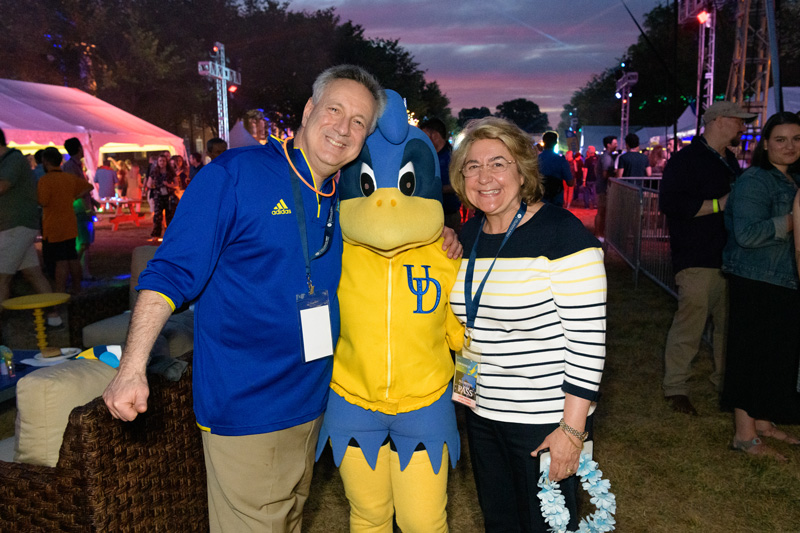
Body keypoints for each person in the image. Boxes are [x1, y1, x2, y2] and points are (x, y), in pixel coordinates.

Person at [101, 65, 387, 533]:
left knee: (290, 518)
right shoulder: (234, 175)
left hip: (311, 402)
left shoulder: (337, 195)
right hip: (248, 408)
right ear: (310, 110)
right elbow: (169, 272)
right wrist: (131, 369)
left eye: (359, 122)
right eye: (334, 109)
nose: (343, 128)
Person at [449, 117, 606, 532]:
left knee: (547, 525)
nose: (485, 178)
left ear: (522, 170)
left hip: (543, 420)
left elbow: (588, 343)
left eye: (498, 163)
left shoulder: (562, 235)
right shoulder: (466, 238)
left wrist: (572, 431)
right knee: (499, 521)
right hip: (482, 413)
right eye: (472, 166)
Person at [659, 101, 756, 415]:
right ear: (718, 121)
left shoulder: (727, 159)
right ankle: (676, 388)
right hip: (697, 258)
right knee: (691, 325)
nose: (743, 128)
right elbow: (673, 205)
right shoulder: (685, 160)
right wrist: (720, 204)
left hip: (728, 257)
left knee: (727, 327)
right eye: (739, 121)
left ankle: (725, 386)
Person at [721, 111, 800, 462]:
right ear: (765, 144)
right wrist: (792, 220)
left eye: (797, 139)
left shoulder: (791, 180)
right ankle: (745, 435)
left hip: (782, 281)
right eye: (780, 139)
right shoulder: (756, 180)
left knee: (774, 358)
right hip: (755, 281)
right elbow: (747, 234)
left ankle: (763, 423)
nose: (789, 146)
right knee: (750, 358)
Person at [0, 128, 62, 326]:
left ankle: (2, 327)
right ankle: (54, 317)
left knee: (1, 278)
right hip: (19, 226)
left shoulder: (13, 159)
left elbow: (2, 186)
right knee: (33, 273)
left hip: (15, 226)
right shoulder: (8, 160)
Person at [37, 147, 93, 294]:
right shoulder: (68, 178)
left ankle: (60, 291)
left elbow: (43, 201)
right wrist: (75, 196)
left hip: (54, 225)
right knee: (72, 258)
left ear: (46, 161)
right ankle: (77, 287)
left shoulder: (45, 180)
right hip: (70, 223)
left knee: (60, 261)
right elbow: (89, 186)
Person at [62, 137, 98, 280]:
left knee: (85, 242)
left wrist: (93, 201)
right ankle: (74, 271)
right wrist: (88, 208)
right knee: (83, 243)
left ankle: (83, 272)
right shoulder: (71, 167)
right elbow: (75, 190)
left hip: (83, 208)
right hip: (80, 210)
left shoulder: (75, 165)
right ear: (78, 149)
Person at [421, 117, 462, 233]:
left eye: (424, 136)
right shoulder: (426, 155)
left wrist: (437, 188)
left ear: (434, 135)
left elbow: (459, 185)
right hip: (428, 214)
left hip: (449, 215)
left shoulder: (454, 157)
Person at [146, 154, 178, 239]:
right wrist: (155, 186)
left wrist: (168, 185)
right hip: (158, 196)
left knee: (170, 216)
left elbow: (176, 184)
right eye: (160, 161)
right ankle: (156, 234)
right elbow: (149, 184)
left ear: (166, 162)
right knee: (157, 215)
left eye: (163, 161)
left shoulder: (171, 172)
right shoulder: (154, 172)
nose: (162, 163)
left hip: (169, 196)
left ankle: (171, 235)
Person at [538, 131, 573, 207]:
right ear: (556, 143)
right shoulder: (561, 161)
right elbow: (570, 183)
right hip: (556, 198)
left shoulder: (535, 160)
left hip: (539, 199)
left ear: (543, 142)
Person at [595, 135, 617, 238]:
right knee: (602, 211)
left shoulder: (604, 156)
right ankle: (599, 234)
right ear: (609, 145)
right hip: (604, 188)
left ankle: (599, 233)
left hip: (601, 187)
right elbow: (605, 174)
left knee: (602, 211)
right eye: (615, 143)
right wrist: (614, 175)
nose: (616, 145)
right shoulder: (607, 158)